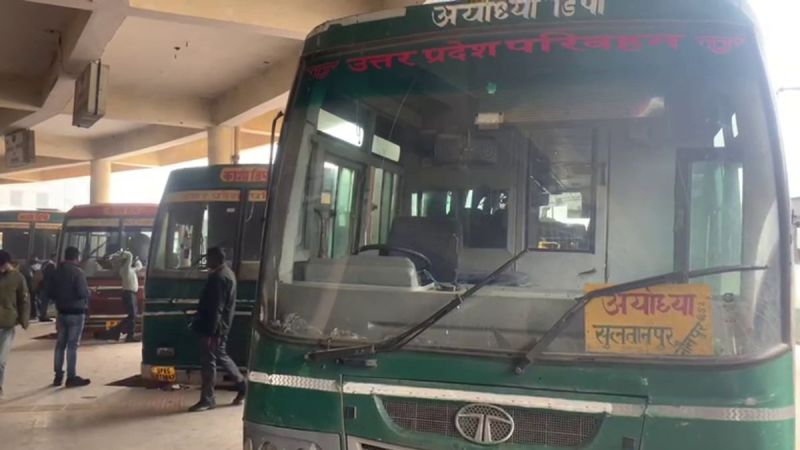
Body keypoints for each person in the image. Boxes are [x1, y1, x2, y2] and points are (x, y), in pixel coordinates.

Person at [188, 247, 246, 412]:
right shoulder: (228, 273)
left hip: (214, 328)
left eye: (208, 258)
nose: (207, 261)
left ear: (216, 259)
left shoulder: (218, 278)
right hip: (221, 326)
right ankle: (242, 386)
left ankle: (208, 399)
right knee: (221, 356)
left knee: (209, 362)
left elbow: (216, 308)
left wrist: (210, 331)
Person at [48, 246, 91, 388]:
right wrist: (88, 292)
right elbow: (82, 293)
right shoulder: (78, 272)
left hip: (61, 313)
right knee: (72, 346)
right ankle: (71, 377)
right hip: (76, 313)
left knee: (60, 345)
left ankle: (58, 376)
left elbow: (51, 293)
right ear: (76, 257)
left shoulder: (56, 272)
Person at [0, 250, 29, 399]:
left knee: (1, 360)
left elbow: (23, 300)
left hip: (7, 324)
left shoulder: (18, 278)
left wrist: (24, 320)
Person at [105, 250, 139, 342]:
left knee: (133, 316)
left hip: (132, 294)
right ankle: (115, 331)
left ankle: (128, 335)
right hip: (128, 294)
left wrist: (137, 260)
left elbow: (139, 267)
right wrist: (122, 253)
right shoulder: (124, 269)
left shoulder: (130, 270)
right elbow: (129, 255)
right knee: (132, 316)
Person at [37, 254, 56, 322]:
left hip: (43, 285)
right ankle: (43, 316)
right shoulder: (51, 265)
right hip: (47, 286)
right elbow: (51, 277)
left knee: (44, 301)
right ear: (54, 257)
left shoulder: (46, 264)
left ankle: (42, 315)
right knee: (45, 301)